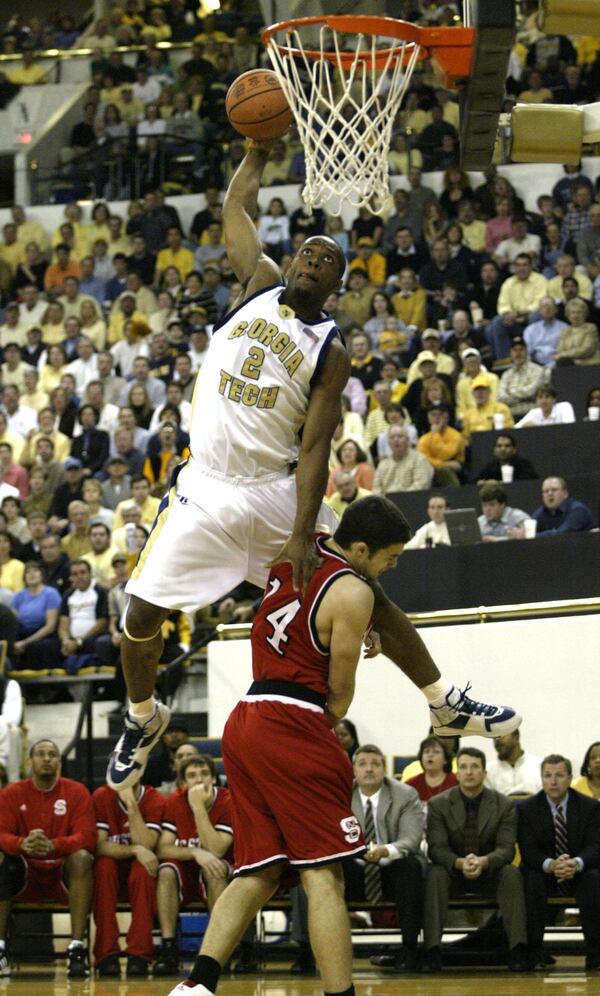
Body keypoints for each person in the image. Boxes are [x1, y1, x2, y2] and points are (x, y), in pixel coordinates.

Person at [107, 139, 519, 798]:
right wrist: (256, 151)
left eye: (328, 260)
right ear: (290, 261)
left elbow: (316, 447)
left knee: (365, 594)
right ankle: (142, 716)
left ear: (337, 282)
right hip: (206, 487)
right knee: (138, 617)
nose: (314, 261)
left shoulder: (329, 348)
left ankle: (445, 701)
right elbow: (235, 204)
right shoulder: (257, 284)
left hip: (276, 491)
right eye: (308, 252)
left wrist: (302, 531)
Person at [166, 496, 411, 996]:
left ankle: (197, 985)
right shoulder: (354, 591)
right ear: (362, 548)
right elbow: (339, 694)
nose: (392, 566)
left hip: (246, 716)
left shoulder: (295, 552)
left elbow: (303, 625)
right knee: (325, 875)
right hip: (292, 721)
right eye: (391, 556)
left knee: (264, 868)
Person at [423, 746, 529, 973]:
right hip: (453, 874)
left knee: (511, 872)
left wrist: (483, 862)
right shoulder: (438, 804)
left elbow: (506, 850)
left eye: (475, 767)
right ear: (457, 773)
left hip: (490, 872)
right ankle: (432, 950)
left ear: (484, 773)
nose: (469, 772)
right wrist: (460, 863)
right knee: (435, 872)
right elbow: (437, 849)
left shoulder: (504, 805)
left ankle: (518, 949)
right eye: (463, 767)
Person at [0, 739, 96, 978]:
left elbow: (88, 837)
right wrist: (21, 843)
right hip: (25, 873)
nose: (46, 758)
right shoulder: (12, 792)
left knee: (83, 857)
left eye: (52, 754)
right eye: (40, 754)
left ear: (59, 763)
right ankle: (0, 948)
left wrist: (54, 845)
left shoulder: (77, 792)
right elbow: (1, 834)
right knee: (2, 860)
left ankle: (76, 949)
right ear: (29, 761)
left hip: (62, 873)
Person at [345, 744, 426, 973]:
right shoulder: (341, 795)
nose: (369, 769)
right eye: (362, 764)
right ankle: (333, 953)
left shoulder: (405, 794)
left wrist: (385, 850)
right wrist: (359, 852)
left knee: (410, 867)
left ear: (385, 768)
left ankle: (409, 949)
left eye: (375, 764)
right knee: (330, 869)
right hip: (356, 868)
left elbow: (411, 839)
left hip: (392, 869)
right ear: (353, 770)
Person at [517, 754, 600, 971]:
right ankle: (534, 953)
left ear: (570, 778)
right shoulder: (526, 808)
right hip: (543, 872)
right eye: (548, 776)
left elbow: (595, 845)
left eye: (559, 776)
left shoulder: (590, 807)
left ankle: (595, 954)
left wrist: (576, 863)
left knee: (593, 878)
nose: (553, 782)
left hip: (579, 872)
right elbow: (528, 850)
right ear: (542, 778)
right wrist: (551, 865)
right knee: (532, 879)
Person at [155, 755, 234, 977]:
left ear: (214, 779)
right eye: (192, 776)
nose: (199, 780)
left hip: (222, 869)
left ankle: (220, 951)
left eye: (204, 774)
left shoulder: (228, 801)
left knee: (215, 869)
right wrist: (195, 852)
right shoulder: (174, 801)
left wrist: (198, 808)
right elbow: (163, 848)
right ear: (182, 783)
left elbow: (218, 849)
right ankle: (168, 948)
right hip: (188, 869)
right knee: (166, 870)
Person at [91, 777, 165, 977]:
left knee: (144, 869)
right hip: (112, 870)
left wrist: (132, 805)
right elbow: (98, 845)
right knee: (103, 867)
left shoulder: (153, 798)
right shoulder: (101, 795)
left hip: (139, 874)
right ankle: (106, 954)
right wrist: (133, 849)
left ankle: (139, 954)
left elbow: (147, 844)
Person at [10, 561, 62, 669]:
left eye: (35, 571)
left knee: (36, 647)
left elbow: (50, 627)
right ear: (24, 577)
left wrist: (25, 643)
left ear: (42, 575)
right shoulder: (18, 596)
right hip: (23, 633)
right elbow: (13, 623)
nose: (32, 574)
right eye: (28, 572)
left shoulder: (51, 593)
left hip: (44, 635)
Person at [373, 426, 434, 494]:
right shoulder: (383, 464)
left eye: (400, 436)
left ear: (408, 441)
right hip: (387, 502)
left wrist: (399, 497)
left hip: (411, 500)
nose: (396, 440)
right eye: (392, 437)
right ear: (388, 443)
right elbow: (376, 489)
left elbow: (421, 485)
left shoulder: (419, 459)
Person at [485, 730, 542, 796]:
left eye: (501, 735)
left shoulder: (539, 765)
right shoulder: (487, 772)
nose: (497, 740)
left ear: (516, 737)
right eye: (494, 737)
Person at [404, 735, 458, 805]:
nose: (430, 755)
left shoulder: (457, 783)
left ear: (445, 759)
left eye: (436, 752)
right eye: (426, 751)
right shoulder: (411, 785)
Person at [474, 433, 538, 484]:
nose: (503, 449)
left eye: (507, 446)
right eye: (499, 446)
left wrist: (499, 483)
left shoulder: (523, 464)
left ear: (514, 449)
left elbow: (531, 481)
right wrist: (482, 482)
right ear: (495, 450)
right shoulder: (491, 466)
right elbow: (474, 481)